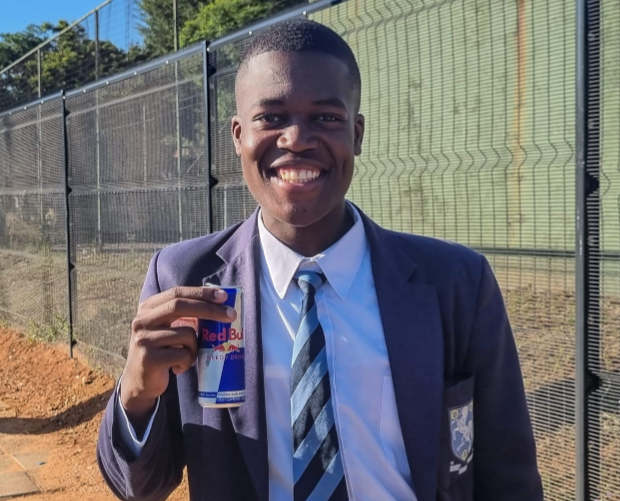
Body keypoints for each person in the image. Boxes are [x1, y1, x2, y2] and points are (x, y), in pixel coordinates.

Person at [97, 18, 543, 501]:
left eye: (325, 118)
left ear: (357, 134)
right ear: (237, 135)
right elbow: (139, 487)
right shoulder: (184, 278)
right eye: (271, 117)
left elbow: (509, 473)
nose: (297, 138)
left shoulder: (456, 283)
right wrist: (138, 394)